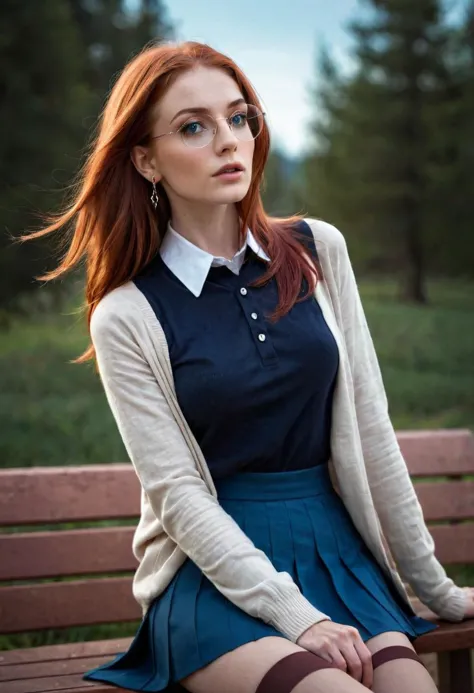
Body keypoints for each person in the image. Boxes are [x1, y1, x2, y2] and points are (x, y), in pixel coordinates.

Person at [25, 40, 473, 693]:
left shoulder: (319, 250)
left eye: (239, 118)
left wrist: (435, 586)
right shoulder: (127, 313)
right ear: (146, 159)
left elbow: (371, 431)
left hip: (339, 554)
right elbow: (178, 495)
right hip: (213, 575)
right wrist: (294, 615)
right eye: (193, 127)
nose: (228, 141)